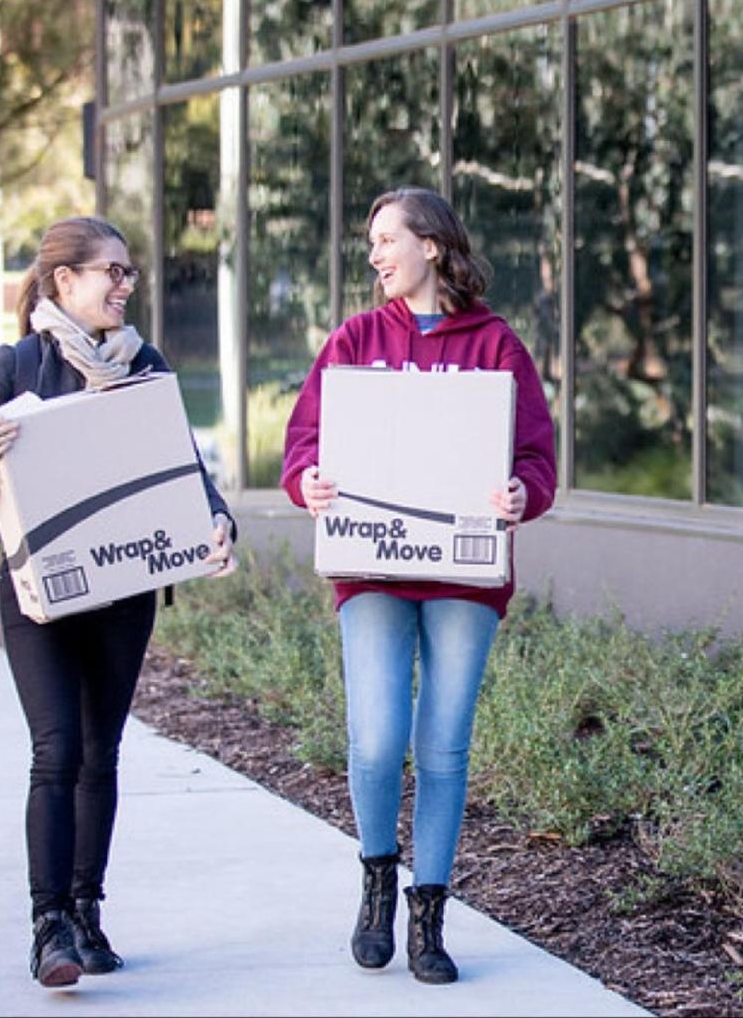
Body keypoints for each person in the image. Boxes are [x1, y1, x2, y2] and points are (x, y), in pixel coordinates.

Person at [0, 215, 237, 989]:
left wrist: (216, 518)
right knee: (58, 750)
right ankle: (49, 926)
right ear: (63, 281)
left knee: (101, 753)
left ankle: (87, 909)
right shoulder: (16, 365)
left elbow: (184, 466)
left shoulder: (144, 365)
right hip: (40, 599)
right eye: (109, 271)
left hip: (123, 591)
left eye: (127, 273)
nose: (123, 285)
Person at [280, 187, 556, 985]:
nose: (373, 255)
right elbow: (304, 445)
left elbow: (535, 461)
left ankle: (428, 913)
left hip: (464, 577)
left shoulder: (496, 345)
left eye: (385, 239)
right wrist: (311, 484)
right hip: (372, 567)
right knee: (373, 738)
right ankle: (376, 882)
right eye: (370, 242)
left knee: (442, 745)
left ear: (431, 246)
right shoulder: (356, 339)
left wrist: (519, 496)